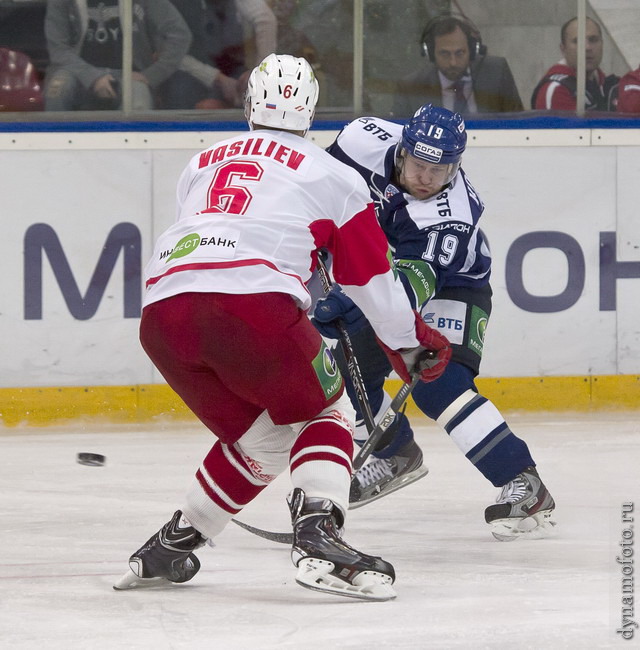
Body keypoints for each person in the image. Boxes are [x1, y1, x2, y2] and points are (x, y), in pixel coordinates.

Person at [113, 55, 451, 600]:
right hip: (250, 305)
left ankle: (173, 543)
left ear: (250, 105)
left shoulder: (201, 163)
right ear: (312, 112)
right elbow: (371, 281)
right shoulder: (334, 175)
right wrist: (410, 342)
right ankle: (319, 536)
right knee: (327, 411)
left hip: (162, 316)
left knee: (265, 440)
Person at [314, 104, 556, 541]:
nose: (427, 178)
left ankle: (523, 481)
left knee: (436, 383)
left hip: (453, 287)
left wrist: (354, 302)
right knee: (347, 370)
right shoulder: (359, 139)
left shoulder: (450, 218)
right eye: (419, 164)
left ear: (456, 166)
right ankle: (396, 453)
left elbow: (407, 293)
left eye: (440, 169)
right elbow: (314, 192)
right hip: (383, 277)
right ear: (402, 150)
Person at [43, 0, 191, 111]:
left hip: (130, 74)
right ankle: (49, 149)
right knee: (58, 90)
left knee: (139, 99)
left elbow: (180, 34)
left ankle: (137, 151)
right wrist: (93, 77)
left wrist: (152, 74)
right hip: (77, 72)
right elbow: (58, 50)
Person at [392, 14, 523, 118]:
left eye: (460, 53)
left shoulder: (497, 73)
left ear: (472, 50)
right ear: (430, 53)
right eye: (444, 54)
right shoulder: (410, 88)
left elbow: (519, 122)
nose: (453, 62)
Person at [162, 0, 277, 109]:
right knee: (185, 93)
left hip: (232, 70)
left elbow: (265, 20)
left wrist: (259, 72)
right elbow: (168, 52)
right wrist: (217, 78)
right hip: (188, 74)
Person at [531, 16, 618, 112]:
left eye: (593, 40)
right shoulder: (556, 89)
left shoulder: (610, 86)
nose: (587, 47)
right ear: (563, 49)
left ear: (602, 44)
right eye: (577, 41)